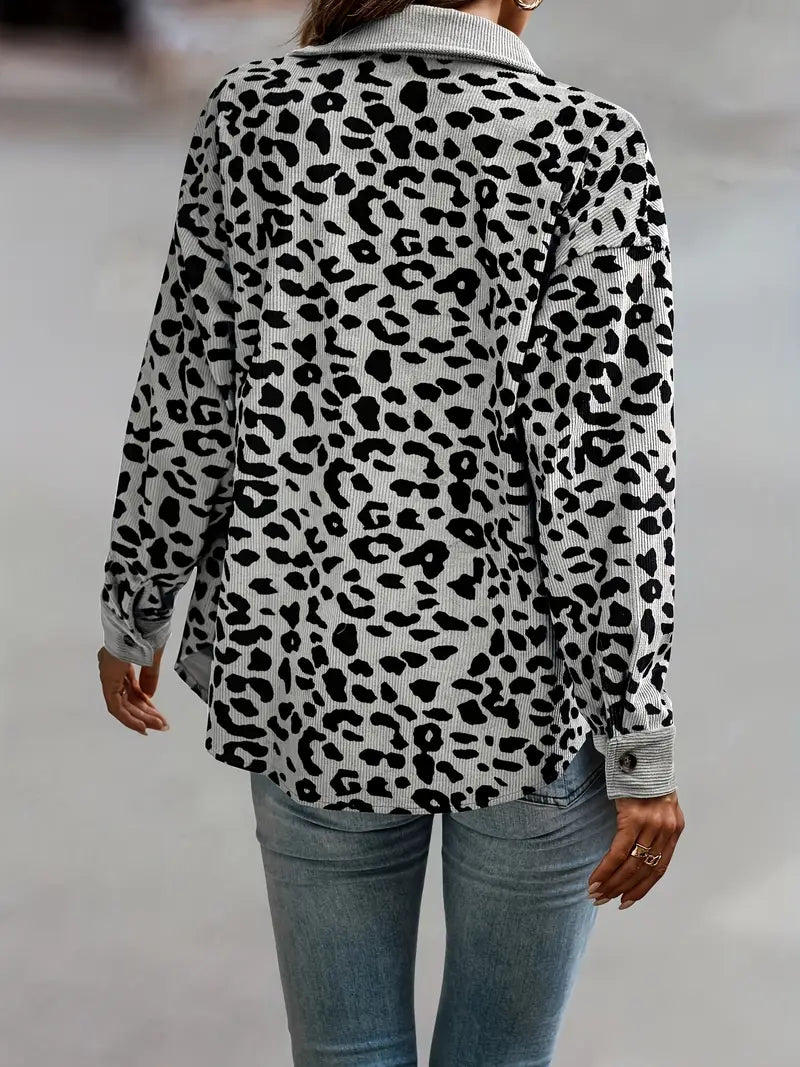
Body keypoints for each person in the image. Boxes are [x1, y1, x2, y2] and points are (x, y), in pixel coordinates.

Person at [96, 1, 686, 1063]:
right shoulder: (588, 143)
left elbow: (188, 388)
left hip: (311, 680)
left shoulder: (256, 115)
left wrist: (136, 605)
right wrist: (637, 735)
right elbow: (610, 466)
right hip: (525, 700)